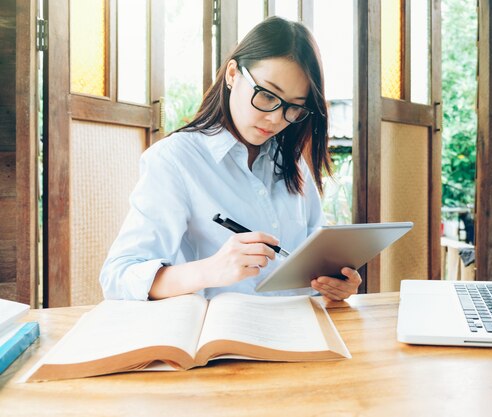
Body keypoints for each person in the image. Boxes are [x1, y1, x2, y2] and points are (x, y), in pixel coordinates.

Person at [99, 16, 361, 303]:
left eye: (293, 108)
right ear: (233, 74)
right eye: (267, 95)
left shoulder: (292, 163)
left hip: (303, 331)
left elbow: (316, 258)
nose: (275, 118)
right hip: (220, 338)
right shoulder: (175, 160)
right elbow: (118, 277)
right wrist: (210, 270)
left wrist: (337, 283)